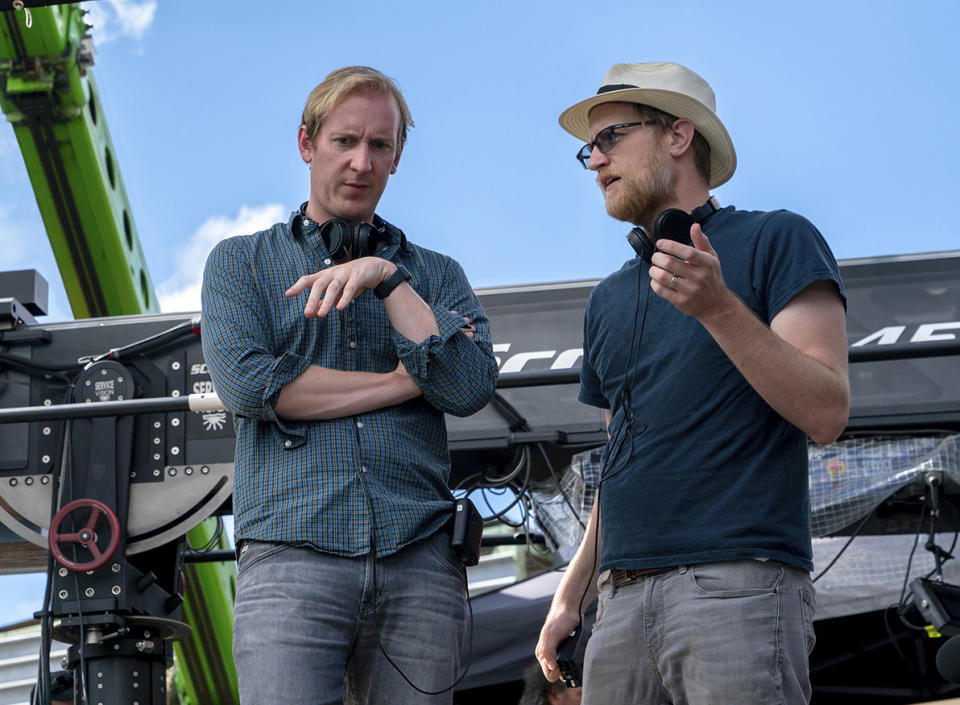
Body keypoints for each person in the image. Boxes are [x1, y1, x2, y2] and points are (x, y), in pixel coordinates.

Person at [535, 62, 850, 705]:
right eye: (586, 149)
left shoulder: (777, 238)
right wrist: (573, 594)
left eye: (610, 139)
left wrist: (719, 309)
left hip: (736, 585)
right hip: (619, 605)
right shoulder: (608, 298)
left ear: (678, 136)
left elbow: (827, 410)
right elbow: (618, 466)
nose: (593, 160)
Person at [201, 65, 498, 705]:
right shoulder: (239, 261)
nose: (362, 162)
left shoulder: (435, 274)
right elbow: (252, 388)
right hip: (289, 558)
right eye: (345, 141)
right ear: (307, 143)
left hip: (420, 561)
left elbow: (470, 386)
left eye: (380, 146)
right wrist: (407, 378)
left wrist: (389, 282)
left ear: (398, 157)